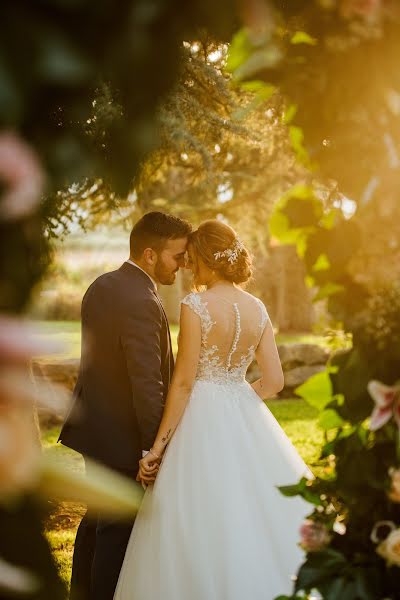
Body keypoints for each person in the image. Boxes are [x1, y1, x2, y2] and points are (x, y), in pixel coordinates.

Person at [114, 219, 313, 600]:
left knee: (193, 514)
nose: (187, 266)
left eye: (191, 258)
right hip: (242, 409)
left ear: (206, 259)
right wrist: (237, 397)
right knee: (253, 511)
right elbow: (274, 382)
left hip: (200, 418)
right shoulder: (257, 308)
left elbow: (184, 381)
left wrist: (156, 449)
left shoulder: (196, 305)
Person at [58, 211, 192, 600]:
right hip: (123, 437)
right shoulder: (142, 300)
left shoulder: (101, 285)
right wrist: (155, 448)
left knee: (96, 520)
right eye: (177, 255)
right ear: (150, 254)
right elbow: (146, 383)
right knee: (117, 533)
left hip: (94, 429)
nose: (181, 265)